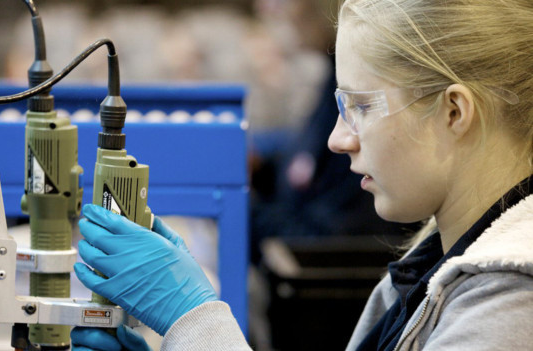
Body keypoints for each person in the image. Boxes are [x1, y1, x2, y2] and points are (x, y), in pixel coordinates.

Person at [71, 0, 533, 349]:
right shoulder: (427, 273)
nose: (338, 139)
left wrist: (192, 322)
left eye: (361, 106)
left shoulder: (509, 307)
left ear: (454, 111)